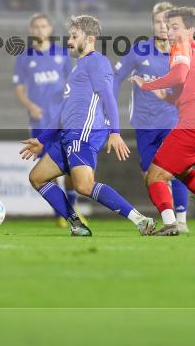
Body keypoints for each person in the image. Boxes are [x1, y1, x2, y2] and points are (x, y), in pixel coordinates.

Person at [19, 15, 155, 236]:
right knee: (37, 177)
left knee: (84, 186)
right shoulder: (78, 67)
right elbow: (64, 112)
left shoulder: (96, 62)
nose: (69, 41)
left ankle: (140, 220)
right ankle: (76, 224)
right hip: (67, 134)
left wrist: (115, 132)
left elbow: (109, 97)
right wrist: (41, 139)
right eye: (69, 36)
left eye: (74, 36)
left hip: (84, 132)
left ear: (90, 38)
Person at [132, 6, 195, 236]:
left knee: (155, 176)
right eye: (168, 27)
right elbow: (190, 91)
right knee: (182, 170)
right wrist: (167, 96)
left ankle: (170, 223)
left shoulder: (182, 45)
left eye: (175, 27)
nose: (169, 32)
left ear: (191, 29)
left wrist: (147, 84)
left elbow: (178, 76)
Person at [113, 2, 190, 232]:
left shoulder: (182, 54)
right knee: (149, 175)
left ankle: (181, 220)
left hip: (172, 121)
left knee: (177, 171)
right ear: (152, 24)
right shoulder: (138, 51)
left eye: (167, 22)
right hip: (145, 124)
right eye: (158, 21)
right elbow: (115, 78)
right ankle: (170, 221)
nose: (163, 26)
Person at [12, 13, 78, 225]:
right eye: (36, 27)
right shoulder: (24, 58)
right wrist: (31, 107)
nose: (40, 30)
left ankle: (72, 208)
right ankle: (61, 214)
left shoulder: (62, 54)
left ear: (50, 29)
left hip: (62, 121)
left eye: (44, 26)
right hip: (40, 122)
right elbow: (19, 88)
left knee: (70, 166)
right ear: (31, 31)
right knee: (47, 170)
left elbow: (72, 83)